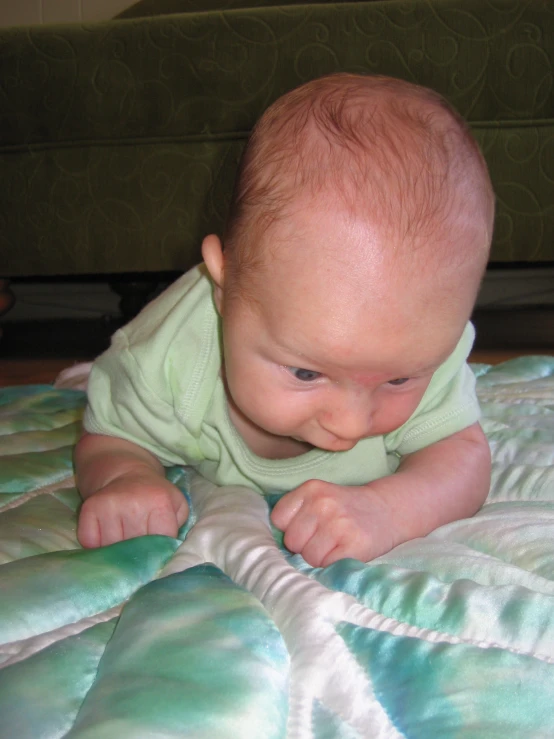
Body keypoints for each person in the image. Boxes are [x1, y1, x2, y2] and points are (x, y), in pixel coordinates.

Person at [75, 73, 495, 567]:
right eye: (305, 373)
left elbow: (464, 456)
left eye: (399, 379)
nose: (352, 422)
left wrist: (390, 509)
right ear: (224, 286)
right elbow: (109, 436)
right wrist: (125, 477)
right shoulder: (162, 359)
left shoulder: (424, 342)